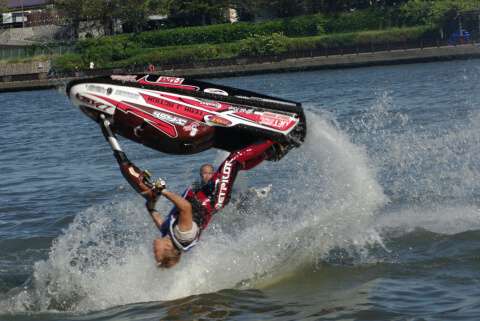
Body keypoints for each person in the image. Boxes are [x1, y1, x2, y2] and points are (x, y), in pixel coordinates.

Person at [147, 140, 277, 268]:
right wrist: (163, 191)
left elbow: (164, 225)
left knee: (237, 166)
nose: (153, 250)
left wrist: (151, 209)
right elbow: (185, 207)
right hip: (215, 195)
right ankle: (272, 140)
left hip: (210, 194)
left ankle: (271, 152)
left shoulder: (172, 238)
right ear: (168, 246)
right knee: (234, 159)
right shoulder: (183, 234)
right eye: (156, 252)